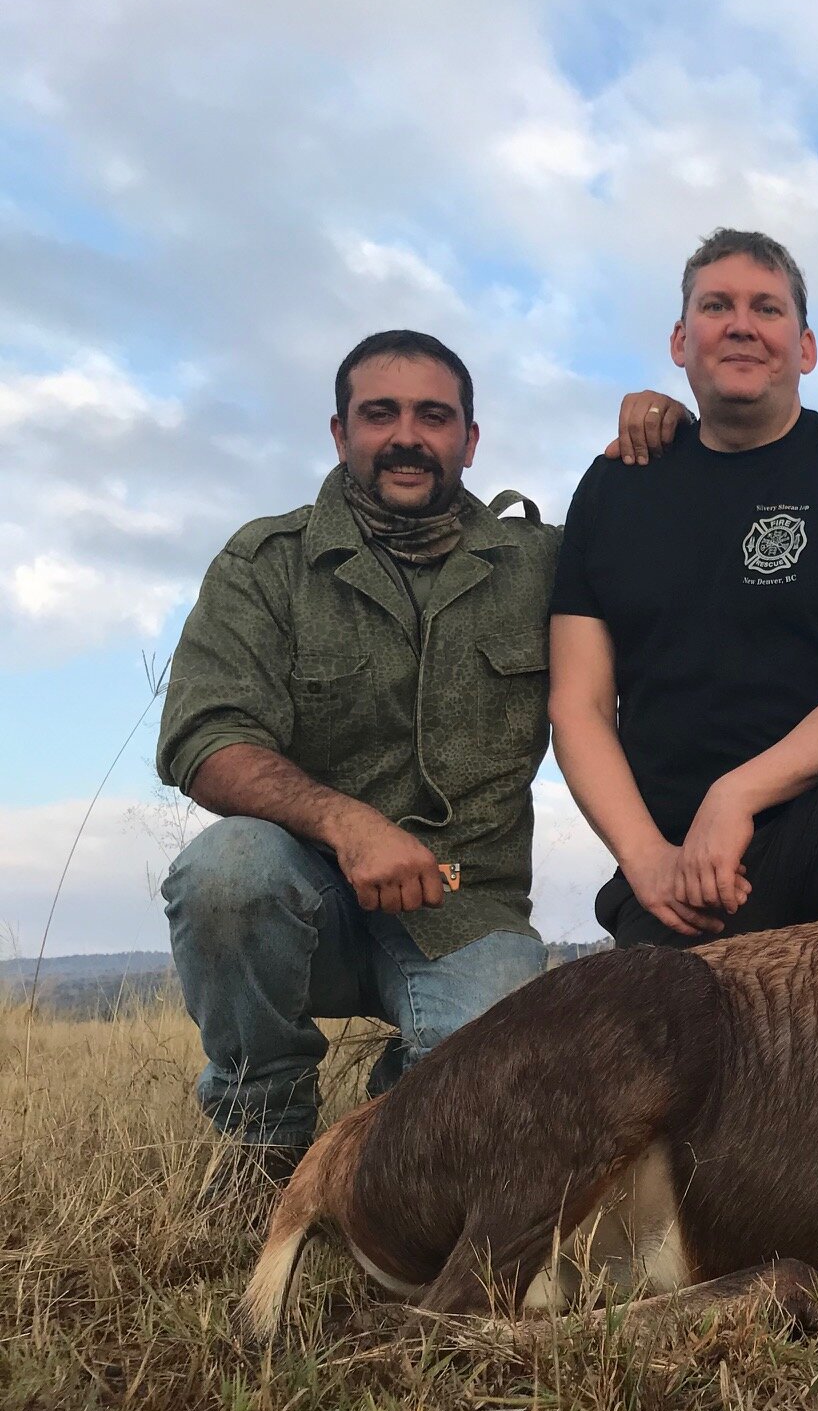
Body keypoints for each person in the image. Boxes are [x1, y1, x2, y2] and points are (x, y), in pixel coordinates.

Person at [157, 330, 683, 1202]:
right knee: (226, 869)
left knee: (446, 1156)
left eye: (434, 417)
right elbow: (203, 739)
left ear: (469, 441)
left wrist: (662, 435)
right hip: (310, 901)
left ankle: (394, 1107)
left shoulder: (545, 564)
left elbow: (663, 554)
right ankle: (263, 1136)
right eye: (381, 415)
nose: (408, 436)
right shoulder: (265, 562)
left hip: (467, 912)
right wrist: (348, 826)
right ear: (339, 434)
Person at [549, 228, 818, 947]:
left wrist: (738, 794)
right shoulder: (613, 488)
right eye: (716, 306)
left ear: (806, 347)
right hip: (681, 877)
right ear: (679, 340)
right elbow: (579, 704)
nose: (741, 325)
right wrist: (647, 859)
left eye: (767, 308)